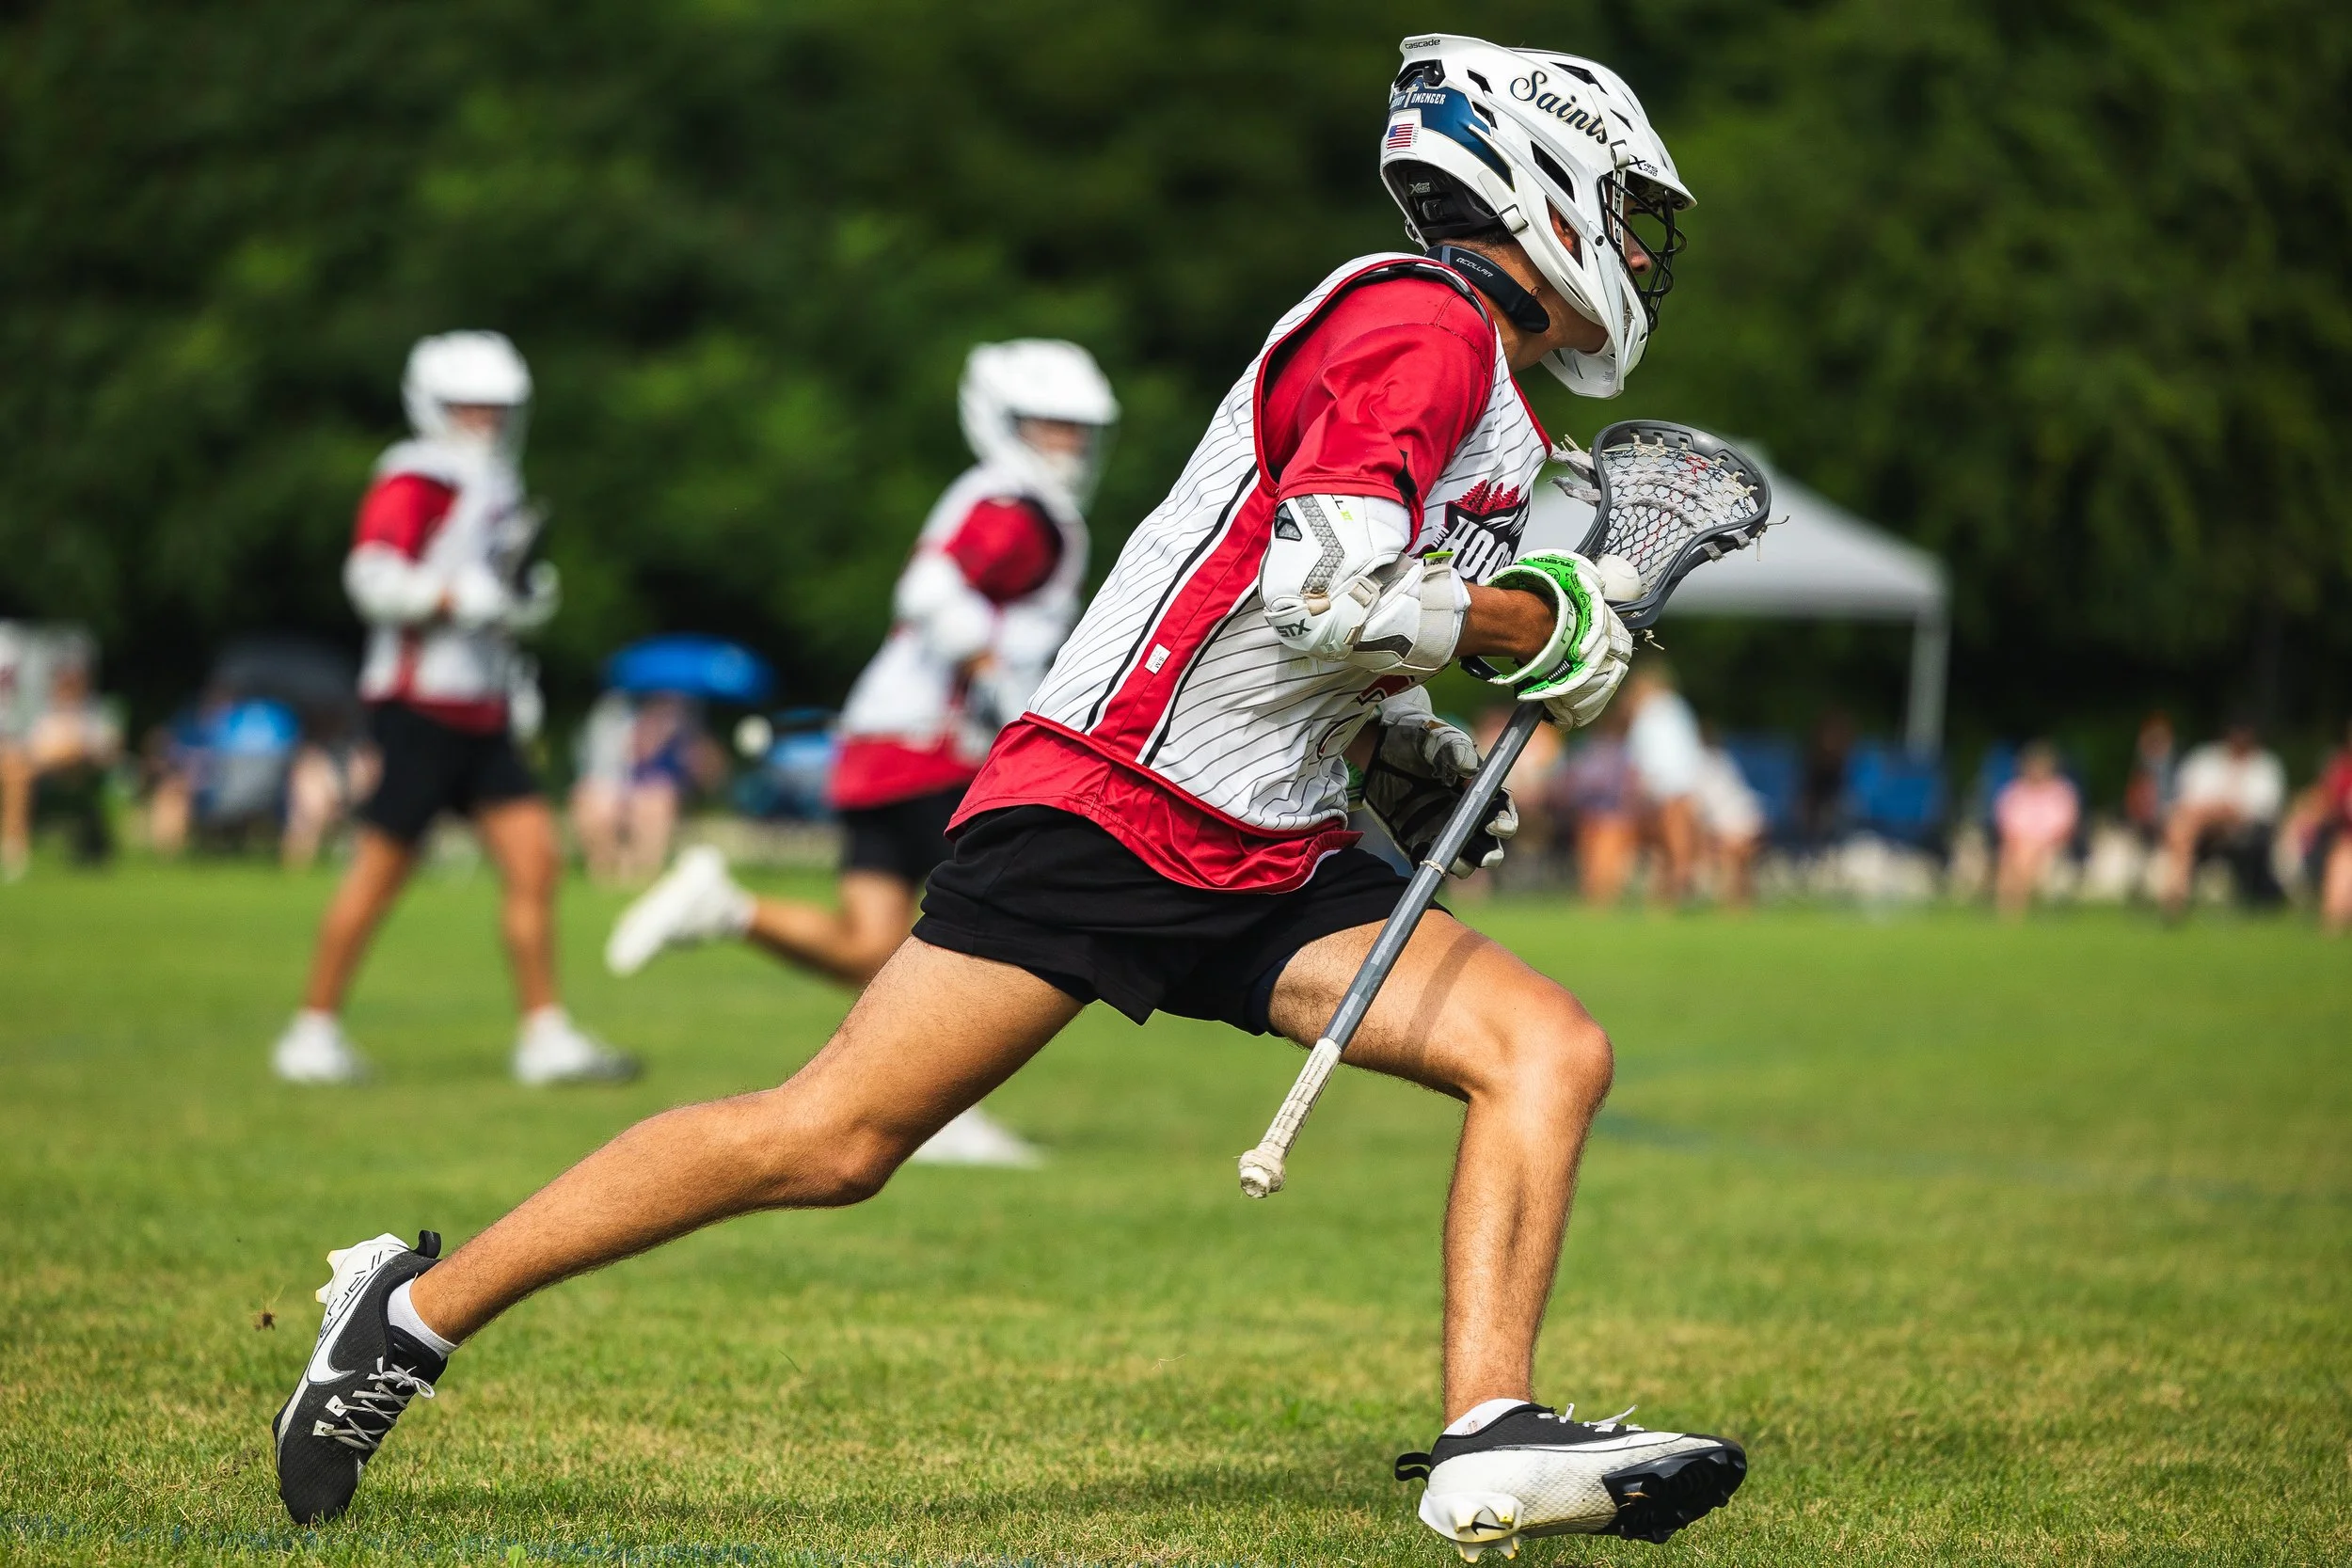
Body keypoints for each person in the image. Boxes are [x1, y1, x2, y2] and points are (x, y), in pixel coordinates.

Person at [273, 39, 1746, 1555]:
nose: (1640, 250)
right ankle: (410, 1309)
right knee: (829, 1139)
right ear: (1541, 178)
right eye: (1631, 210)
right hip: (1113, 805)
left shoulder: (1487, 395)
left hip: (1268, 842)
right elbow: (1330, 586)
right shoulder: (1420, 319)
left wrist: (1406, 751)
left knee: (1546, 1048)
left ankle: (1485, 1431)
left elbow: (1305, 635)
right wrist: (1542, 619)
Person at [602, 341, 1118, 1163]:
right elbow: (932, 593)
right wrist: (988, 670)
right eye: (1052, 427)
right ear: (1008, 422)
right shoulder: (1020, 509)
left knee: (869, 943)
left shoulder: (995, 497)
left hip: (890, 743)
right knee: (999, 936)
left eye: (1079, 431)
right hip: (935, 749)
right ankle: (944, 1114)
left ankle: (726, 907)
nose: (1070, 446)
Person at [267, 332, 634, 1086]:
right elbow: (372, 577)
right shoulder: (415, 475)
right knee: (377, 873)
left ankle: (544, 1032)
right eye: (472, 405)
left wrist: (519, 603)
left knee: (536, 860)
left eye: (499, 407)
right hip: (420, 708)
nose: (487, 420)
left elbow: (493, 580)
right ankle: (311, 1029)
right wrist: (452, 599)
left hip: (482, 709)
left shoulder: (496, 480)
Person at [568, 692, 725, 883]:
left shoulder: (687, 727)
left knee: (657, 802)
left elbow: (708, 774)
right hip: (617, 785)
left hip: (656, 791)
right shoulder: (614, 714)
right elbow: (617, 762)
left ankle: (644, 873)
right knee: (596, 803)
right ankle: (607, 871)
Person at [0, 650, 122, 876]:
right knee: (14, 770)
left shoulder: (95, 715)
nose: (66, 688)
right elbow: (34, 753)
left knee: (19, 772)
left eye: (71, 683)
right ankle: (13, 847)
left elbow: (107, 753)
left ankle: (13, 850)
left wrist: (71, 753)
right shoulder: (46, 718)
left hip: (79, 778)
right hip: (44, 777)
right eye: (63, 682)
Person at [2155, 718, 2286, 918]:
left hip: (2245, 832)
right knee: (2183, 826)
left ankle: (2175, 893)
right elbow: (2185, 799)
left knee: (2182, 827)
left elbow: (2262, 811)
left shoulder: (2265, 766)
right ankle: (2176, 892)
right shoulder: (2205, 759)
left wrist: (2219, 811)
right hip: (2202, 831)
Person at [1624, 665, 1702, 905]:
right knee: (1672, 843)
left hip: (1664, 788)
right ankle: (1674, 890)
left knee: (1668, 843)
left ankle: (1673, 891)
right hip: (1681, 786)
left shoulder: (1651, 713)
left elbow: (1642, 759)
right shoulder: (1677, 709)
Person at [1991, 741, 2079, 918]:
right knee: (2015, 856)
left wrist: (2038, 845)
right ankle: (2011, 909)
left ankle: (2013, 910)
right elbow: (2006, 826)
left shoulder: (2061, 792)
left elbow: (2066, 828)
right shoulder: (2015, 792)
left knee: (2024, 856)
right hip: (2020, 846)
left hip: (2050, 846)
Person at [1692, 725, 1765, 909]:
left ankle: (1731, 904)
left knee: (1729, 860)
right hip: (1751, 815)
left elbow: (1699, 806)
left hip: (1730, 821)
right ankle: (1742, 903)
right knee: (1741, 864)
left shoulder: (1697, 765)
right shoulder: (1722, 758)